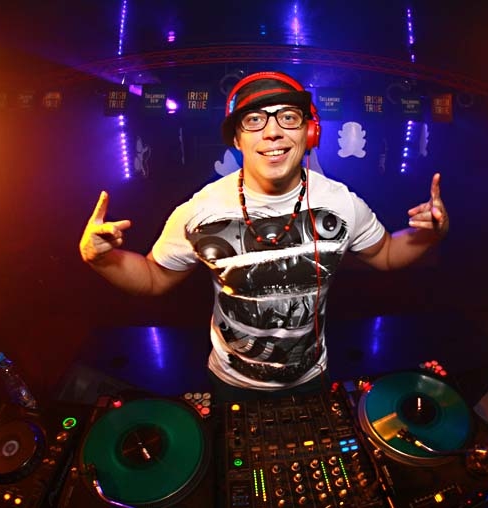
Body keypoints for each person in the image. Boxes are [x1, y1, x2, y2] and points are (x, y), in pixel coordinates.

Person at [78, 71, 449, 400]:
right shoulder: (199, 211)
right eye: (254, 120)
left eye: (288, 117)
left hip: (312, 378)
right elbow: (153, 278)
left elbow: (386, 254)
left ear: (309, 132)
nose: (273, 132)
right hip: (230, 382)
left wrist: (431, 234)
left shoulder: (342, 203)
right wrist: (100, 259)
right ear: (237, 140)